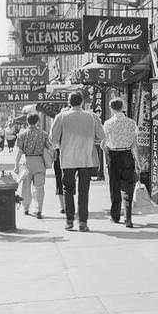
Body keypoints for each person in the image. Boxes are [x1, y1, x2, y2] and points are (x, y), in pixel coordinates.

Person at [50, 92, 105, 232]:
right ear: (82, 102)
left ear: (69, 102)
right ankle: (83, 222)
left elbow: (53, 139)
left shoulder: (61, 117)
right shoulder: (92, 117)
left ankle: (69, 221)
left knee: (67, 189)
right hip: (86, 158)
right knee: (83, 191)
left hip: (68, 158)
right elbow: (102, 135)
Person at [103, 98, 140, 228]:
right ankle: (128, 218)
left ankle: (115, 216)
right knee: (128, 187)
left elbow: (103, 143)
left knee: (114, 187)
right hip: (128, 155)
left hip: (113, 155)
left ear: (111, 108)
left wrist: (106, 153)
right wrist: (137, 161)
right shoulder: (131, 123)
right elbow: (134, 144)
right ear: (123, 107)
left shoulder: (108, 123)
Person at [13, 112, 53, 219]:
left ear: (27, 121)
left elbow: (19, 152)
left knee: (26, 187)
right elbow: (50, 148)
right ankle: (39, 210)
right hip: (40, 162)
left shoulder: (22, 134)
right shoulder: (44, 134)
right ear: (37, 121)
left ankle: (26, 208)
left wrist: (16, 165)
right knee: (39, 187)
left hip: (27, 162)